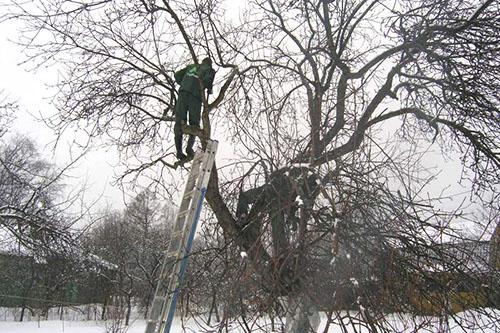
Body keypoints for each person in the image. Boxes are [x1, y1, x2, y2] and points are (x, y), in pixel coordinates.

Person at [174, 57, 216, 160]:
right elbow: (208, 81)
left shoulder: (191, 66)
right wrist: (209, 89)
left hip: (183, 93)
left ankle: (179, 151)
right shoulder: (209, 69)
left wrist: (185, 82)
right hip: (195, 97)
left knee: (179, 122)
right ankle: (189, 148)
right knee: (194, 124)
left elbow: (177, 75)